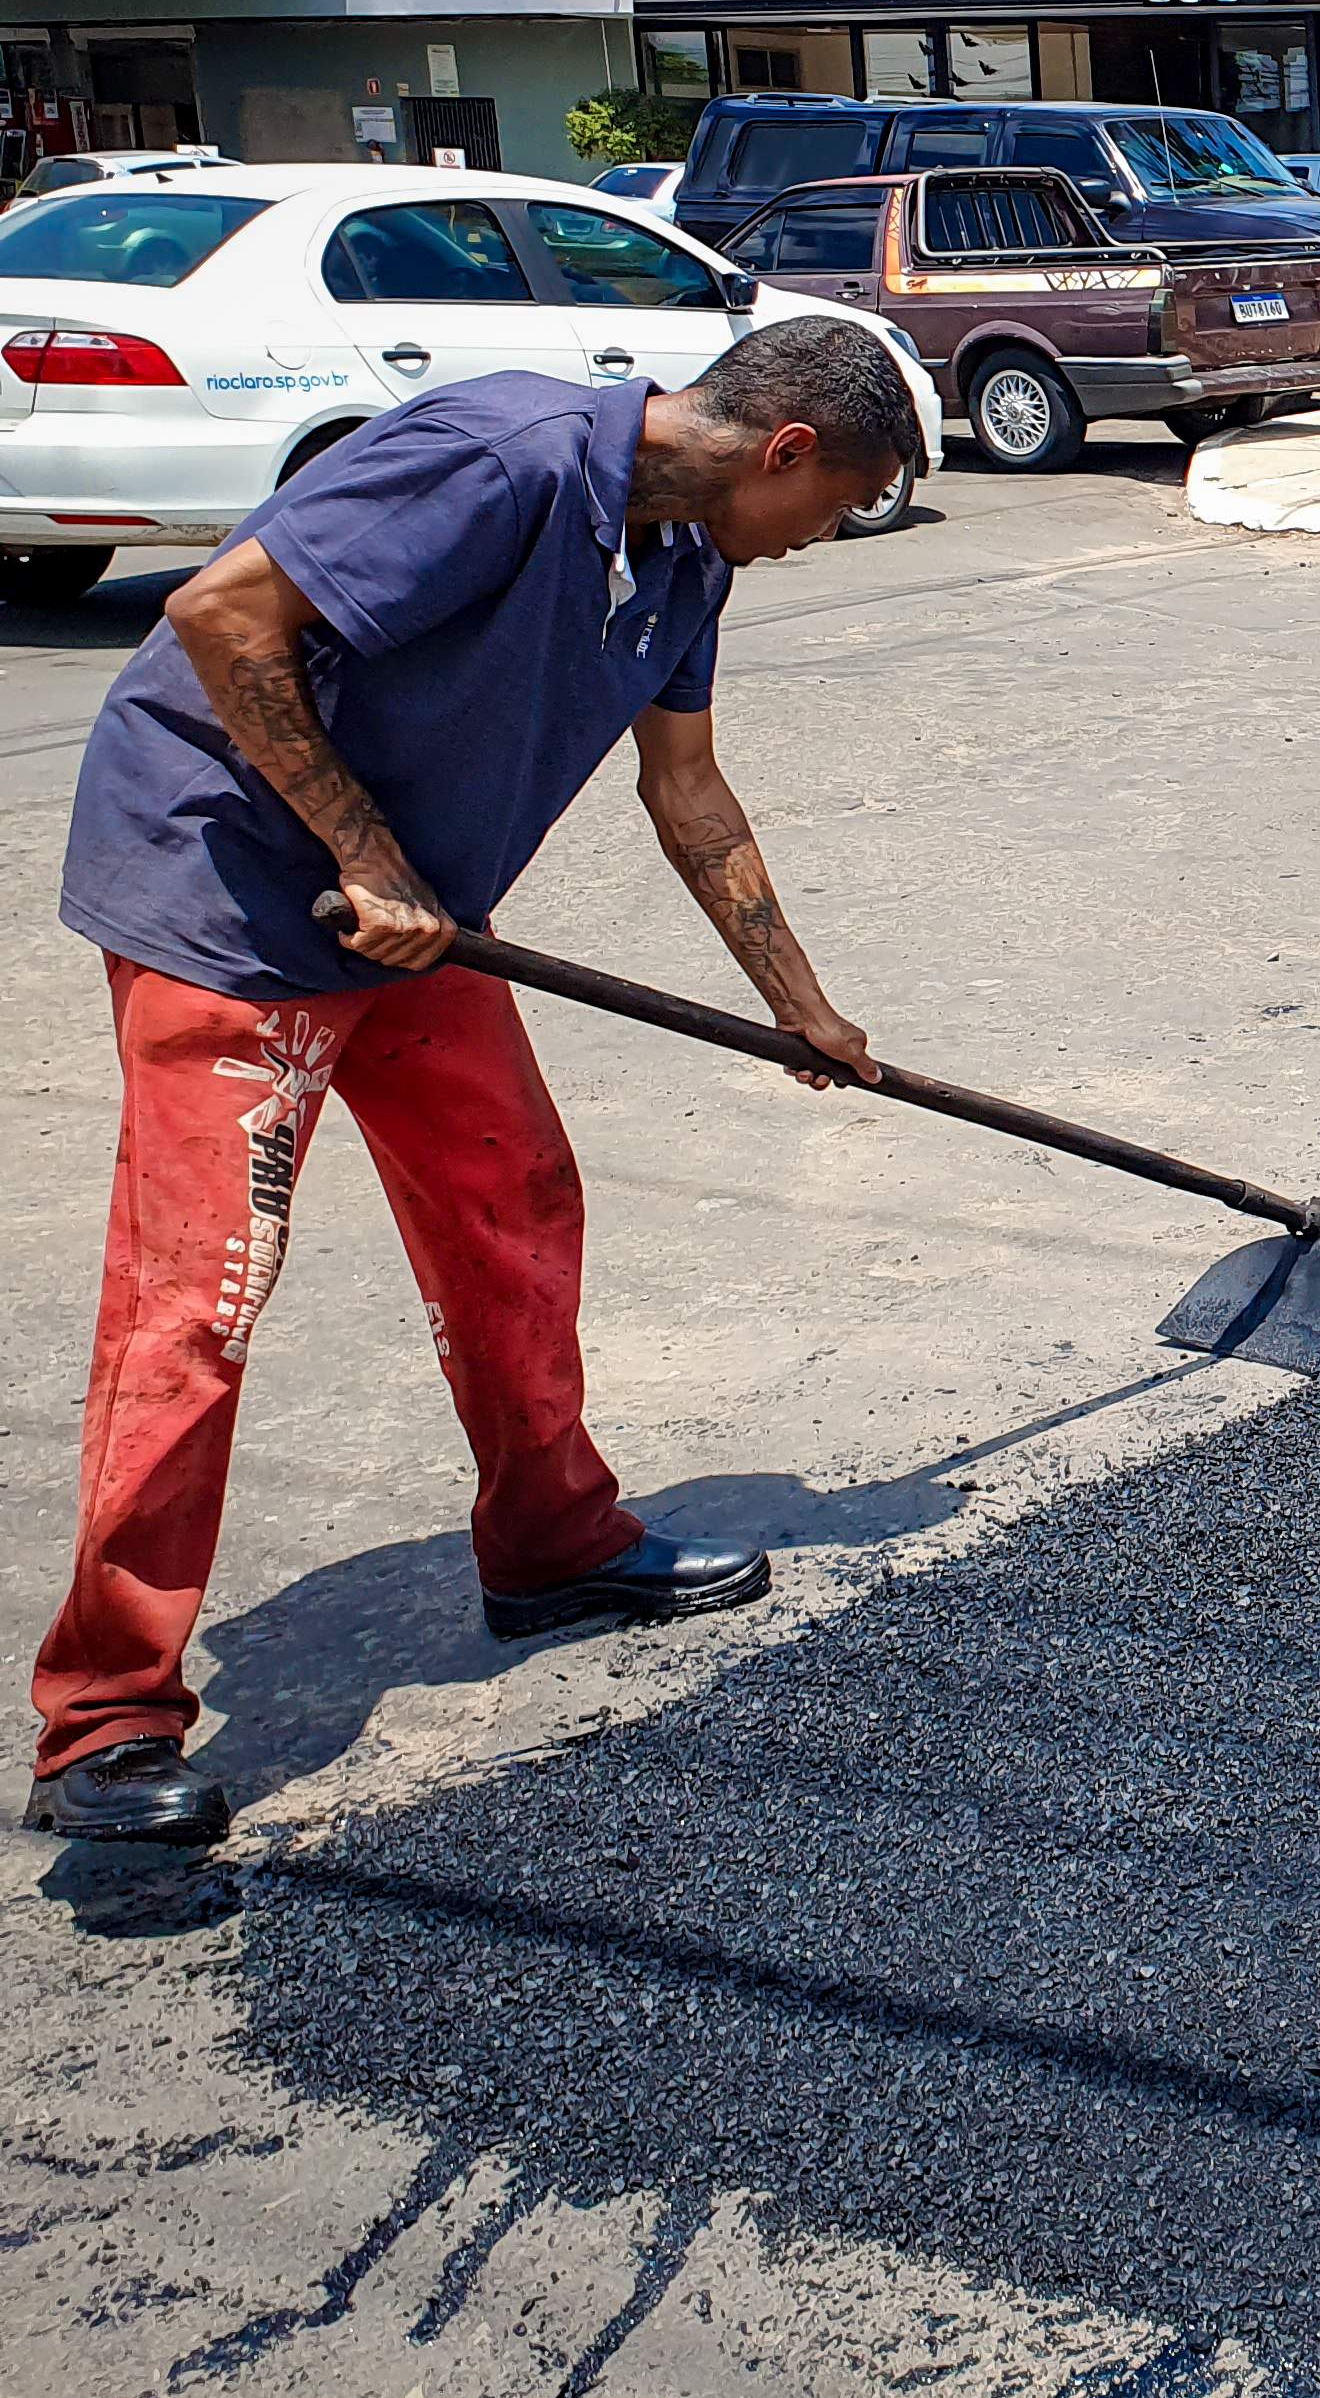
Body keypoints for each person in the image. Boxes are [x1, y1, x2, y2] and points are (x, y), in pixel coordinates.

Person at [30, 321, 921, 1846]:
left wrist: (804, 1010)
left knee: (511, 1195)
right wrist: (364, 855)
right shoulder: (497, 460)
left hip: (417, 914)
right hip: (229, 897)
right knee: (204, 1292)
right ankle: (104, 1719)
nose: (817, 540)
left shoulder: (686, 554)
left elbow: (687, 787)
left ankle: (552, 1543)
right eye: (832, 507)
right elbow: (218, 610)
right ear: (783, 451)